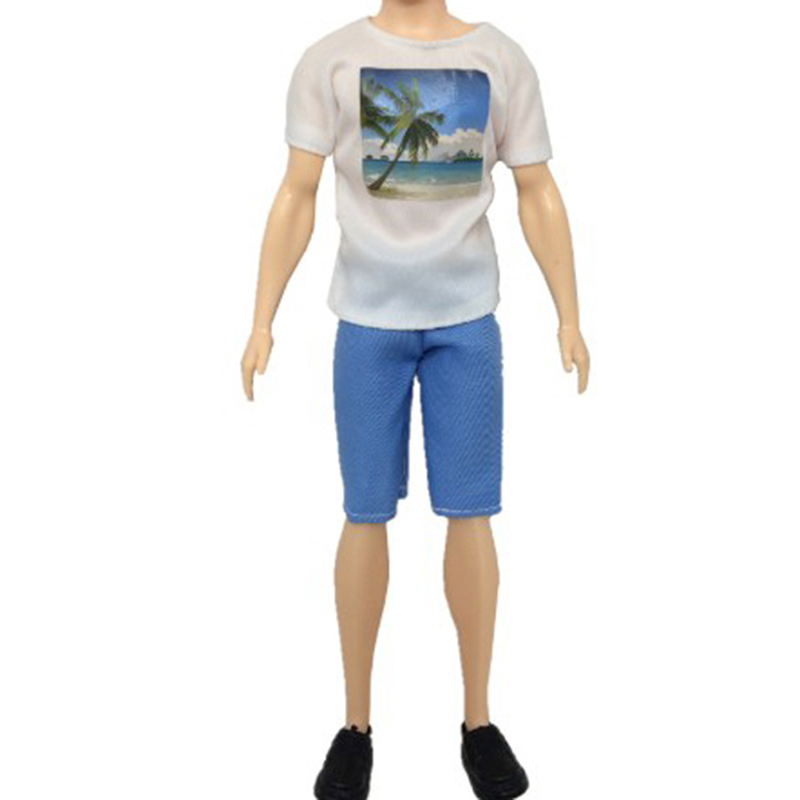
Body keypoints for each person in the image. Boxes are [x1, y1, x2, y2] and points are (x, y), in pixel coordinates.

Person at [241, 3, 590, 798]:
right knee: (364, 513)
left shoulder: (500, 58)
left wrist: (569, 315)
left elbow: (539, 189)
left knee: (472, 512)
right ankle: (355, 726)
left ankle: (478, 721)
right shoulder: (331, 59)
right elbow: (296, 192)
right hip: (368, 322)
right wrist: (262, 319)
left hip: (466, 322)